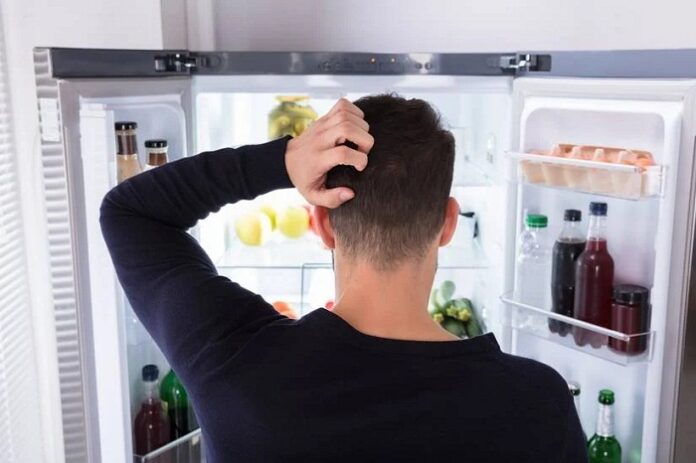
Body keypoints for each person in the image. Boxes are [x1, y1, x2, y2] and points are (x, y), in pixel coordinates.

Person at [100, 95, 587, 462]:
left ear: (321, 224)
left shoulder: (238, 367)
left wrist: (284, 161)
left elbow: (131, 213)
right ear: (448, 224)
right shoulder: (538, 404)